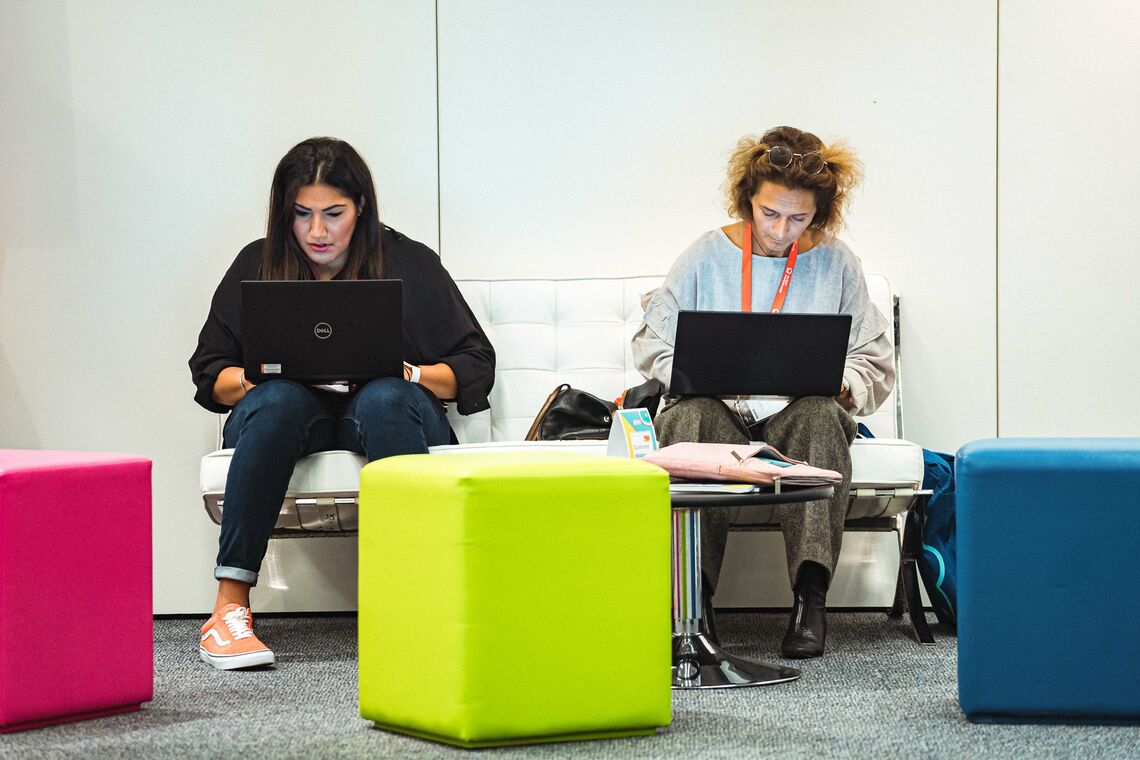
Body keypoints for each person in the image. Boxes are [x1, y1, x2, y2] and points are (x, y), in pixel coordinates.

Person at [189, 137, 495, 670]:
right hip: (286, 418)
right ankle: (229, 609)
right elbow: (210, 374)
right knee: (280, 398)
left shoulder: (408, 262)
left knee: (386, 396)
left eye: (334, 214)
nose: (316, 232)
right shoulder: (257, 264)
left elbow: (474, 363)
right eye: (301, 214)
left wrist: (412, 372)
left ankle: (416, 602)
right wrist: (253, 379)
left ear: (362, 209)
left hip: (387, 414)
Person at [631, 125, 894, 658]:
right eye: (769, 213)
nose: (780, 230)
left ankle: (810, 600)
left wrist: (845, 384)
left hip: (798, 412)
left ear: (819, 213)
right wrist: (690, 370)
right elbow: (652, 343)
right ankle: (691, 602)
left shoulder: (840, 263)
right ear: (747, 199)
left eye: (799, 218)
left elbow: (873, 360)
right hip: (720, 408)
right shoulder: (705, 256)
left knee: (821, 415)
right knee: (690, 418)